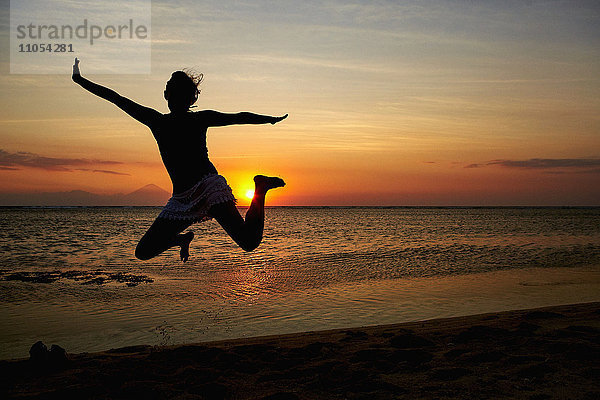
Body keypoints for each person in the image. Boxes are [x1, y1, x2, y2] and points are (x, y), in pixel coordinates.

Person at [72, 58, 287, 262]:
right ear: (169, 95)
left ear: (182, 97)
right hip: (181, 198)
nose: (172, 95)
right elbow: (116, 98)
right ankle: (182, 239)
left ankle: (259, 189)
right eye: (171, 90)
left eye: (175, 91)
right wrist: (80, 80)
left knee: (248, 242)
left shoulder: (187, 119)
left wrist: (269, 120)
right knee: (144, 251)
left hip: (208, 188)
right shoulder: (159, 120)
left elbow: (238, 117)